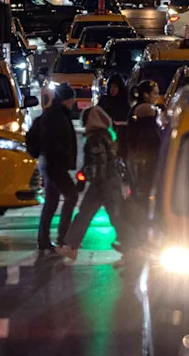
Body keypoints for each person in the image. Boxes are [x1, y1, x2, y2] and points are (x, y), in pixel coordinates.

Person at [57, 107, 124, 261]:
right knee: (112, 216)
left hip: (102, 183)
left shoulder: (95, 138)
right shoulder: (107, 135)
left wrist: (94, 181)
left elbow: (99, 161)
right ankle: (71, 246)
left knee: (87, 214)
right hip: (109, 181)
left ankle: (131, 247)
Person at [35, 83, 79, 254]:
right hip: (55, 165)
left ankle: (44, 239)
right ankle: (63, 237)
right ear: (66, 99)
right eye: (71, 99)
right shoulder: (57, 116)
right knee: (71, 196)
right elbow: (56, 141)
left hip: (50, 164)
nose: (73, 102)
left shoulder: (56, 113)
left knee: (52, 201)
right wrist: (63, 155)